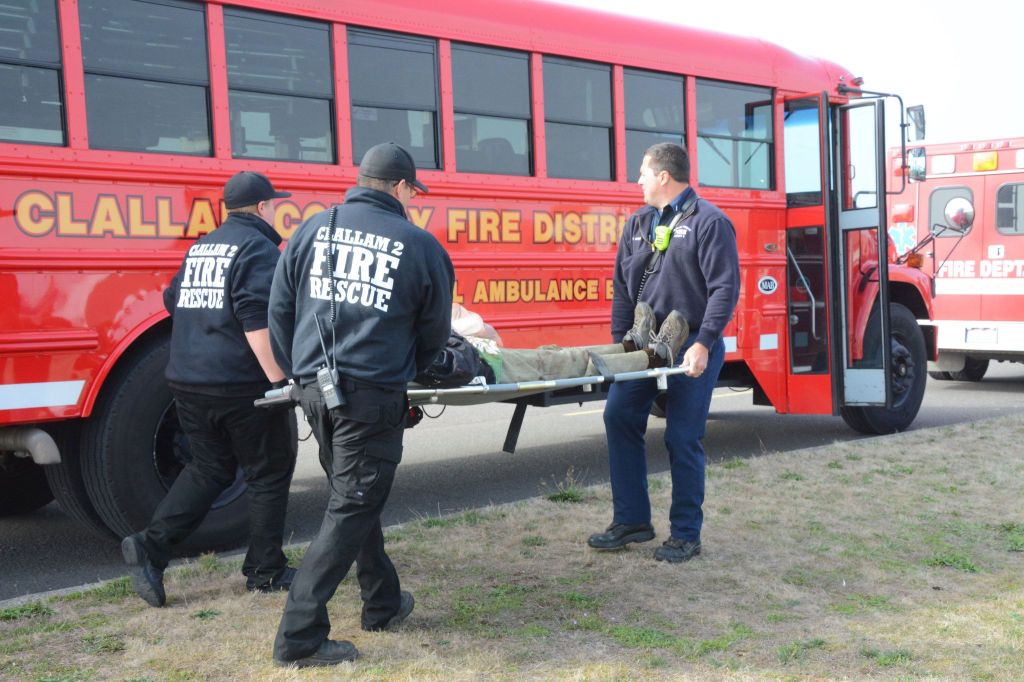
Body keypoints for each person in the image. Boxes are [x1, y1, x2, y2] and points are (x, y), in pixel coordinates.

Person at [269, 142, 454, 668]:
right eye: (411, 192)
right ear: (399, 188)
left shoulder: (312, 228)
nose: (412, 201)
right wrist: (405, 374)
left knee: (355, 496)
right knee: (352, 503)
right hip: (369, 398)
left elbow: (280, 308)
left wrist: (299, 372)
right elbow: (433, 333)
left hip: (316, 392)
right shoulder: (418, 245)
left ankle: (383, 602)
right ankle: (299, 637)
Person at [122, 171, 299, 606]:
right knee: (269, 471)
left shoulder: (202, 247)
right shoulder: (258, 249)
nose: (275, 209)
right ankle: (266, 571)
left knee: (209, 468)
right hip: (240, 386)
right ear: (262, 207)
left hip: (186, 380)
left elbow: (172, 300)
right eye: (273, 204)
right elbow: (256, 318)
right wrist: (282, 381)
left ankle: (151, 547)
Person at [588, 142, 740, 563]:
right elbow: (622, 288)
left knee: (682, 437)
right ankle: (633, 521)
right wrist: (622, 344)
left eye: (642, 172)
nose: (636, 180)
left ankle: (685, 534)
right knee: (618, 416)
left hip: (690, 345)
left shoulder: (710, 223)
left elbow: (724, 289)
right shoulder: (637, 223)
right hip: (645, 346)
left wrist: (705, 343)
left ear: (663, 177)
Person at [431, 302, 689, 385]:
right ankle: (653, 357)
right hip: (477, 364)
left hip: (474, 359)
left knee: (555, 356)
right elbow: (480, 329)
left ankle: (630, 349)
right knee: (558, 361)